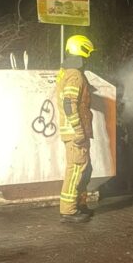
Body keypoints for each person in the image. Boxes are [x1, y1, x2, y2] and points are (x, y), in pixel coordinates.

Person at [55, 34, 96, 222]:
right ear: (82, 51)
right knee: (76, 170)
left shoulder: (68, 73)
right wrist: (79, 130)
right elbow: (69, 104)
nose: (88, 58)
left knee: (84, 170)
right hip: (75, 132)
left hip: (74, 131)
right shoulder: (75, 75)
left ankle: (79, 204)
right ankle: (68, 211)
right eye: (88, 53)